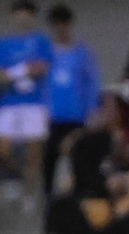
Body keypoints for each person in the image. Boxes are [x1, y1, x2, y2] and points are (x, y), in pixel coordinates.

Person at [0, 1, 51, 197]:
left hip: (33, 104)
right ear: (13, 16)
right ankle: (21, 177)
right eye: (19, 13)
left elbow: (42, 67)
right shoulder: (4, 44)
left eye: (26, 13)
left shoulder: (40, 41)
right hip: (9, 103)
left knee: (33, 153)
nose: (23, 17)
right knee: (2, 149)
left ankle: (30, 194)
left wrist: (14, 73)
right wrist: (22, 71)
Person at [40, 6, 97, 198]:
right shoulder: (45, 53)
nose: (61, 29)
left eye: (63, 24)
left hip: (76, 115)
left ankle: (79, 198)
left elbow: (91, 84)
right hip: (52, 117)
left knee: (78, 159)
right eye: (56, 25)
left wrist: (91, 111)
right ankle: (49, 200)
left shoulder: (82, 52)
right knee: (50, 159)